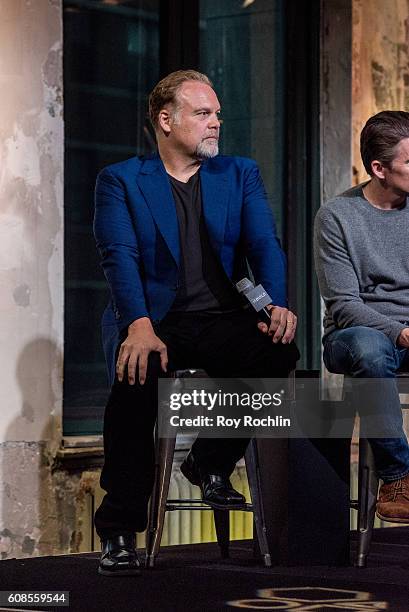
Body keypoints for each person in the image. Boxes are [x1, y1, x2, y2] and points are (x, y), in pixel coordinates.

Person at [93, 69, 299, 576]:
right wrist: (138, 324)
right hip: (155, 316)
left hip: (223, 315)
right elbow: (117, 254)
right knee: (135, 382)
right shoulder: (121, 180)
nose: (215, 124)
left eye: (218, 115)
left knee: (278, 353)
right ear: (166, 120)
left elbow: (263, 245)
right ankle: (119, 529)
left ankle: (209, 461)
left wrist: (276, 303)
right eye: (203, 114)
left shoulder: (238, 172)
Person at [314, 110, 409, 530]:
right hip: (355, 336)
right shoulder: (337, 217)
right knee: (371, 348)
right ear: (379, 168)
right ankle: (397, 477)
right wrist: (402, 333)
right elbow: (343, 304)